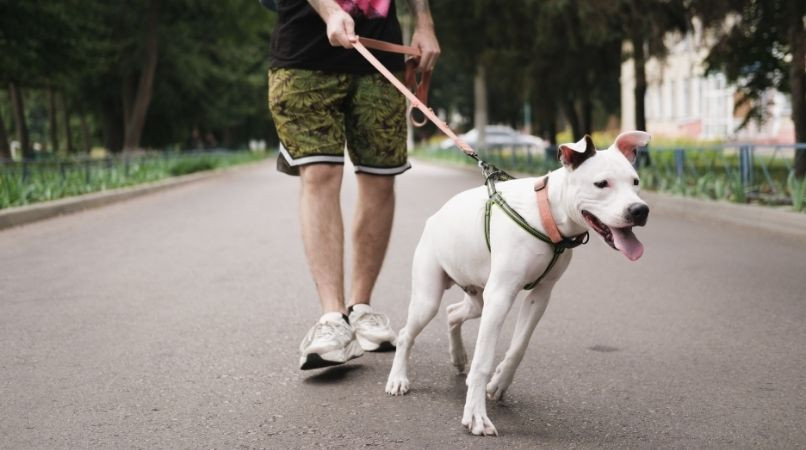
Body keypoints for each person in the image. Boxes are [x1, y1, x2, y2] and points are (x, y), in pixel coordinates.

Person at [267, 0, 440, 370]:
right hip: (303, 53)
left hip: (380, 54)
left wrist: (424, 23)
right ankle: (332, 318)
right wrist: (329, 11)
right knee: (320, 173)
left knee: (380, 177)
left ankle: (360, 308)